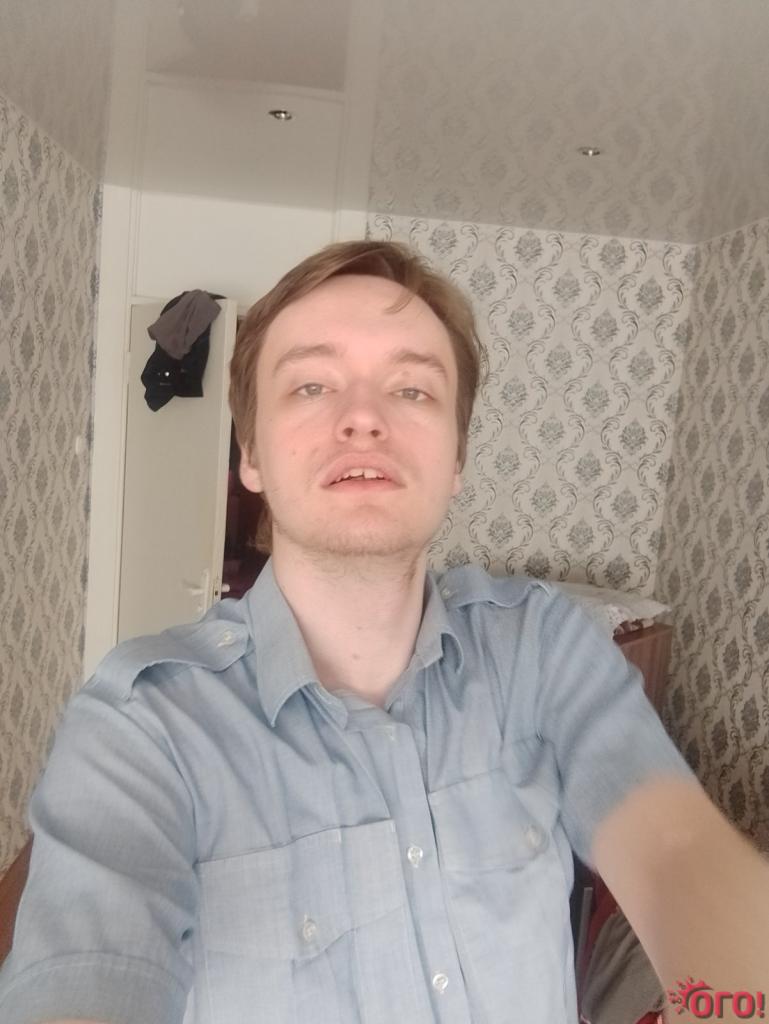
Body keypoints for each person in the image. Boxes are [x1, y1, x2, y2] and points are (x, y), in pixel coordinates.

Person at [0, 241, 766, 1024]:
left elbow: (677, 856)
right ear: (251, 454)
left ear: (456, 457)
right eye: (310, 385)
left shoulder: (544, 647)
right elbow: (81, 984)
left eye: (410, 389)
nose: (363, 418)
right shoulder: (141, 727)